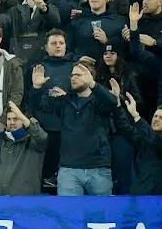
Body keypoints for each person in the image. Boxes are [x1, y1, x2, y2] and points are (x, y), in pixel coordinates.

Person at [34, 56, 117, 195]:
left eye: (78, 75)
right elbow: (39, 106)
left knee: (102, 215)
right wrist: (36, 88)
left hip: (98, 168)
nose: (73, 78)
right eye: (72, 75)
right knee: (68, 215)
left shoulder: (99, 101)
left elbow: (112, 103)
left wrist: (92, 84)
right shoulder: (65, 101)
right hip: (69, 170)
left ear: (90, 77)